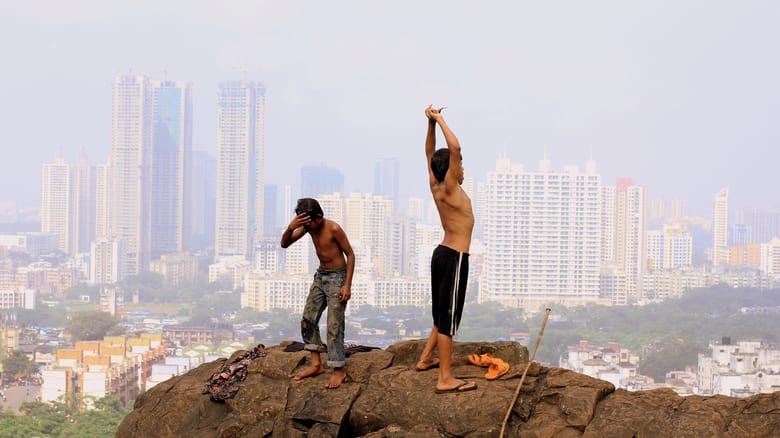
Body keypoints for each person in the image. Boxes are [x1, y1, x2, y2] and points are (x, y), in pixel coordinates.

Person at [416, 105, 477, 394]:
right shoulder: (450, 186)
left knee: (441, 313)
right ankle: (445, 379)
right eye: (460, 164)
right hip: (454, 257)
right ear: (452, 167)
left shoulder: (435, 184)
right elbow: (455, 146)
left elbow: (430, 152)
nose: (462, 167)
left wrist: (428, 124)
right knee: (448, 320)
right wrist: (439, 119)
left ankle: (426, 358)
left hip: (441, 253)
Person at [281, 198, 355, 389]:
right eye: (303, 223)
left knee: (334, 324)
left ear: (319, 217)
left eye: (309, 222)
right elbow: (284, 244)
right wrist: (291, 228)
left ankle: (339, 370)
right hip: (320, 276)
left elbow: (351, 254)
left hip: (338, 278)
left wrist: (347, 285)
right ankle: (316, 364)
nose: (307, 226)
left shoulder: (333, 229)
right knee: (308, 319)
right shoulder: (308, 227)